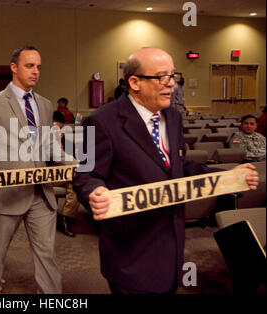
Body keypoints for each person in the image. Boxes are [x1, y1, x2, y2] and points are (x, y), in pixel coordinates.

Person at [73, 47, 259, 294]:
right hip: (130, 249)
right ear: (135, 82)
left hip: (171, 244)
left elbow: (178, 166)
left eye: (174, 76)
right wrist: (95, 191)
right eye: (162, 77)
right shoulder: (100, 121)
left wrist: (227, 176)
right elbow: (85, 174)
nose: (172, 84)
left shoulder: (172, 116)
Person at [0, 46, 72, 294]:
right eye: (29, 65)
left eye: (38, 66)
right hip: (7, 191)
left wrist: (69, 163)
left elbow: (49, 144)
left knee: (47, 253)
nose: (35, 71)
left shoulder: (46, 105)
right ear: (14, 67)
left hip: (41, 191)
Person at [52, 111, 80, 237]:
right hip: (45, 175)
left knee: (76, 182)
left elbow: (74, 159)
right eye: (55, 128)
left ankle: (65, 218)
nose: (58, 132)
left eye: (60, 129)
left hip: (64, 176)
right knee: (76, 177)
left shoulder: (69, 143)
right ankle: (65, 219)